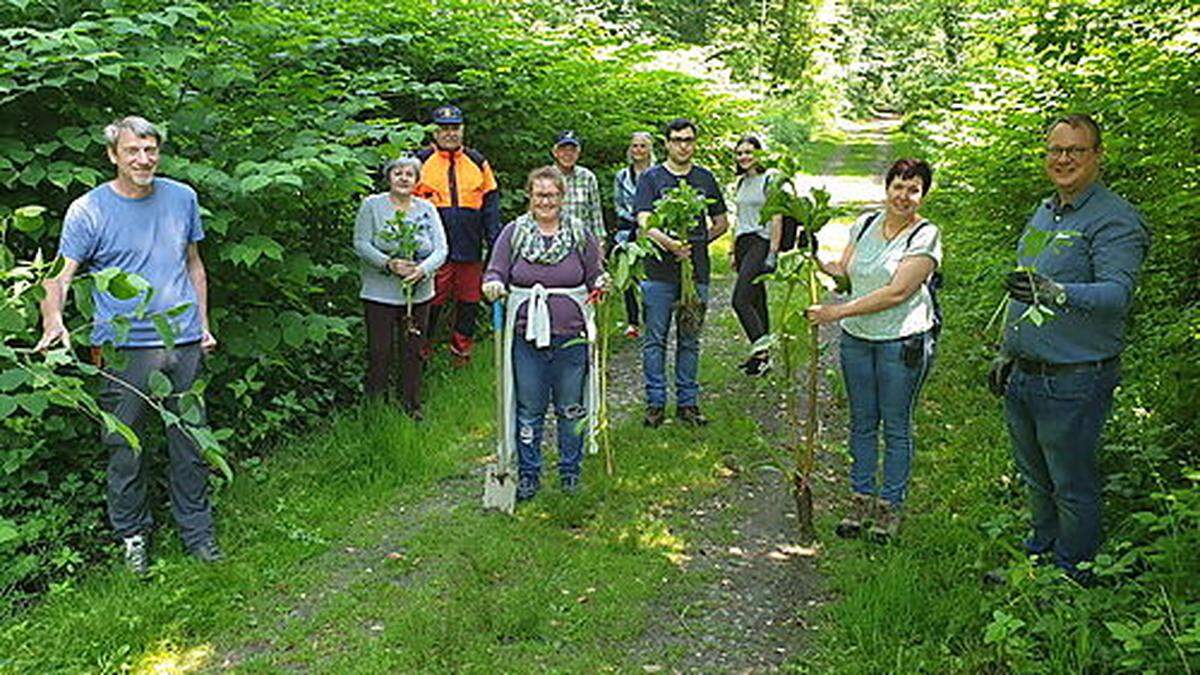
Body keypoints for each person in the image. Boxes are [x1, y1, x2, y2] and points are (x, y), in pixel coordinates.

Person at [35, 116, 221, 575]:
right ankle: (133, 538)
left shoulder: (183, 197)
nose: (143, 159)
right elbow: (58, 276)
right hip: (120, 350)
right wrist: (53, 319)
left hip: (182, 341)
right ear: (113, 155)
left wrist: (203, 324)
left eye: (150, 150)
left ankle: (197, 535)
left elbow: (194, 266)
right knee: (125, 447)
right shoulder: (89, 210)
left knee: (190, 443)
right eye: (133, 151)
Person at [988, 114, 1148, 583]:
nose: (1063, 159)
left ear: (1097, 155)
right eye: (1055, 150)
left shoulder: (1115, 220)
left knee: (1071, 482)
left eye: (1075, 150)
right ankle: (1041, 556)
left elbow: (1117, 294)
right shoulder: (1046, 212)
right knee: (1036, 478)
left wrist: (1058, 291)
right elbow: (1023, 289)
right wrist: (1006, 352)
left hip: (1075, 377)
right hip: (1025, 372)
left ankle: (1072, 574)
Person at [806, 158, 941, 541]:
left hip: (902, 342)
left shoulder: (925, 237)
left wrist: (836, 313)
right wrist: (813, 256)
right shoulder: (864, 224)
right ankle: (860, 498)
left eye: (913, 189)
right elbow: (846, 273)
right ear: (887, 188)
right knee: (863, 422)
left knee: (895, 425)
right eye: (898, 186)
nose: (904, 196)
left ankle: (889, 508)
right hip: (858, 339)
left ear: (922, 195)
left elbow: (897, 291)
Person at [482, 166, 606, 501]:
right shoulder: (514, 232)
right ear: (530, 196)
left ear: (562, 198)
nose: (545, 201)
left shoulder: (580, 234)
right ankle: (528, 475)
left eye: (551, 195)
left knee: (570, 407)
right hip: (527, 336)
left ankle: (570, 472)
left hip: (572, 336)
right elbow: (495, 269)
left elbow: (596, 273)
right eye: (539, 195)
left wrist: (601, 284)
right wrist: (493, 283)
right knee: (529, 408)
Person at [634, 118, 729, 428]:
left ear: (694, 143)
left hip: (696, 273)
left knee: (690, 339)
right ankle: (656, 403)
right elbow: (645, 222)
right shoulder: (651, 178)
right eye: (677, 140)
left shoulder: (705, 178)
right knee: (655, 340)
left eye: (688, 140)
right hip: (659, 273)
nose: (683, 145)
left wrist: (696, 244)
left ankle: (687, 403)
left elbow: (721, 222)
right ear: (667, 143)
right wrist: (672, 245)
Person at [354, 156, 448, 419]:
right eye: (398, 173)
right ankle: (375, 409)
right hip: (379, 294)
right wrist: (389, 264)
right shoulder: (372, 206)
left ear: (417, 181)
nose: (404, 178)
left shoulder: (427, 209)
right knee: (379, 352)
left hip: (418, 295)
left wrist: (422, 270)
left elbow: (441, 249)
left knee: (413, 351)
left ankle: (410, 405)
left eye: (410, 174)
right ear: (389, 177)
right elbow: (361, 244)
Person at [414, 104, 501, 366]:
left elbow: (491, 206)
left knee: (469, 302)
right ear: (435, 131)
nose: (450, 133)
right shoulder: (420, 161)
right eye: (444, 128)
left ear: (462, 130)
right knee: (432, 302)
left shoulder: (477, 161)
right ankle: (422, 351)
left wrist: (495, 244)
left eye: (455, 128)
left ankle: (461, 352)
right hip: (432, 251)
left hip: (470, 245)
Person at [730, 135, 784, 377]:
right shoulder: (741, 182)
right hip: (743, 243)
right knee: (756, 299)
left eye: (748, 152)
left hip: (760, 242)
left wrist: (773, 251)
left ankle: (761, 351)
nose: (744, 157)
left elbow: (776, 217)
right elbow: (739, 218)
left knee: (739, 300)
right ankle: (762, 360)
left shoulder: (769, 180)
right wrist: (733, 249)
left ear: (759, 154)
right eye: (740, 153)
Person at [612, 131, 655, 338]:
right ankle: (632, 321)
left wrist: (645, 222)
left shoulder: (657, 173)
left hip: (651, 231)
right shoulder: (622, 176)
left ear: (649, 149)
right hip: (627, 229)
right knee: (627, 276)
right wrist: (633, 219)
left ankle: (651, 318)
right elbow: (618, 204)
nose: (638, 150)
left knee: (648, 276)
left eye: (642, 146)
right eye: (635, 146)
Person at [552, 130, 604, 242]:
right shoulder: (546, 177)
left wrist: (600, 243)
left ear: (578, 153)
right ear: (555, 152)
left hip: (582, 241)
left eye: (572, 150)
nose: (568, 154)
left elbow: (595, 214)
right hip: (552, 240)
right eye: (563, 150)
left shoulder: (588, 177)